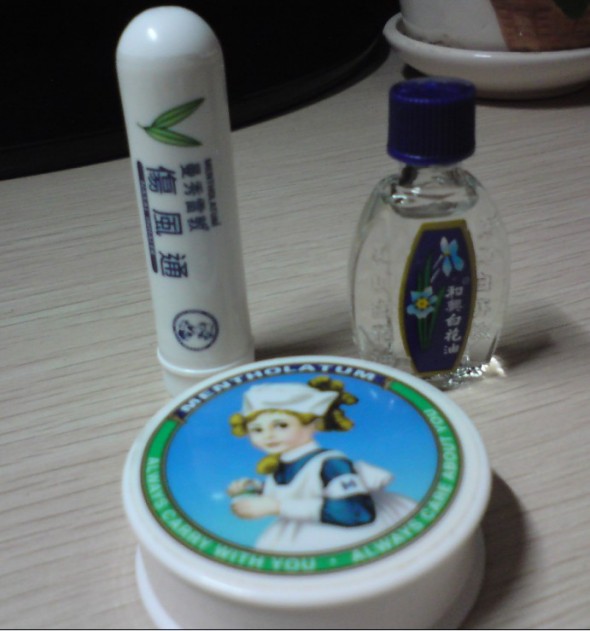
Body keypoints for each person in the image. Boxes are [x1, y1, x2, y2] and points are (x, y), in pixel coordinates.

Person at [227, 377, 416, 553]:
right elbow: (301, 492)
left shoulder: (330, 463)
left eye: (281, 425)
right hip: (296, 535)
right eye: (257, 429)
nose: (268, 435)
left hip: (347, 539)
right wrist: (257, 489)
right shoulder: (282, 465)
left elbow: (356, 513)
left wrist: (276, 507)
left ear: (313, 424)